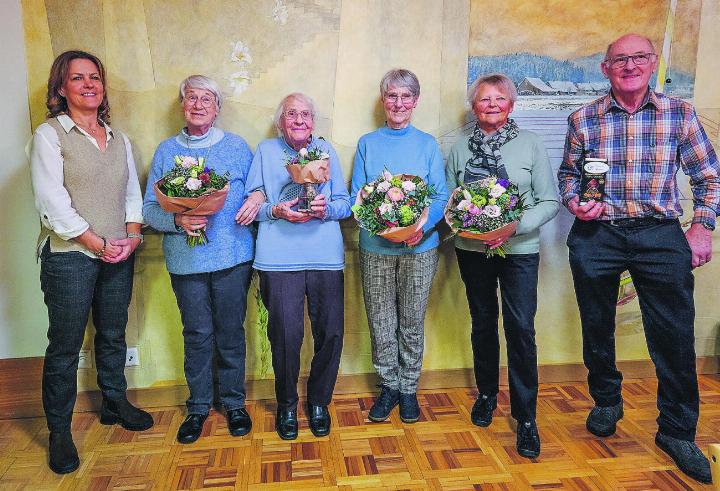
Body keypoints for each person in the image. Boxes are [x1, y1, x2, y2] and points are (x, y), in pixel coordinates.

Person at [557, 33, 719, 484]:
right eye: (619, 60)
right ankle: (606, 400)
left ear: (653, 64)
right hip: (598, 232)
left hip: (659, 232)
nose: (630, 66)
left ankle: (676, 430)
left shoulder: (679, 114)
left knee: (673, 335)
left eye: (639, 58)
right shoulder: (583, 118)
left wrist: (701, 226)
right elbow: (569, 176)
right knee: (595, 325)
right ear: (605, 68)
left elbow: (709, 176)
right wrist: (574, 202)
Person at [29, 50, 153, 474]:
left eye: (95, 77)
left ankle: (114, 403)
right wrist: (98, 243)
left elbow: (131, 196)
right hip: (70, 257)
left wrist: (132, 236)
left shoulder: (120, 140)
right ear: (60, 89)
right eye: (78, 78)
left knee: (113, 333)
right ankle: (59, 432)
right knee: (64, 348)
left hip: (118, 252)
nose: (89, 85)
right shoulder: (49, 136)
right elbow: (53, 205)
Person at [143, 75, 264, 444]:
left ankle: (233, 402)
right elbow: (149, 209)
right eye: (192, 98)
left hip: (232, 257)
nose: (198, 104)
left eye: (206, 99)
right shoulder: (166, 151)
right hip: (187, 262)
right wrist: (178, 220)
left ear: (217, 108)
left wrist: (257, 197)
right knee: (196, 335)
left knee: (230, 333)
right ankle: (197, 406)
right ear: (183, 105)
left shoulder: (238, 147)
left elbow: (258, 186)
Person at [446, 73, 559, 458]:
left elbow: (549, 201)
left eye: (499, 99)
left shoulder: (530, 144)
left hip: (520, 251)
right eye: (483, 99)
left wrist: (515, 227)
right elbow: (450, 203)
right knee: (482, 323)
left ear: (511, 105)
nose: (491, 105)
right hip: (472, 251)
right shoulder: (460, 147)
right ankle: (487, 394)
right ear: (474, 106)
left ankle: (526, 417)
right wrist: (466, 224)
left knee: (521, 329)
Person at [245, 92, 351, 440]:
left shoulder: (326, 150)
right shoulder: (265, 152)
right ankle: (287, 405)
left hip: (325, 257)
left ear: (313, 121)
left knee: (330, 332)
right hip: (279, 260)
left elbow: (344, 204)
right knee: (286, 336)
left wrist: (326, 210)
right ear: (281, 121)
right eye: (292, 114)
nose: (300, 120)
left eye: (306, 114)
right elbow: (251, 206)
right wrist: (276, 210)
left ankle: (319, 402)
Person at [350, 69, 449, 424]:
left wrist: (418, 229)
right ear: (383, 100)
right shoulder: (367, 143)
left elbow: (440, 196)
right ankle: (388, 385)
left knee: (410, 320)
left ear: (416, 101)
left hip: (420, 249)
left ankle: (408, 388)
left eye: (406, 96)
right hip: (375, 247)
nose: (398, 103)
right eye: (392, 96)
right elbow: (356, 196)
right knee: (380, 320)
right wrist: (382, 226)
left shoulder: (426, 144)